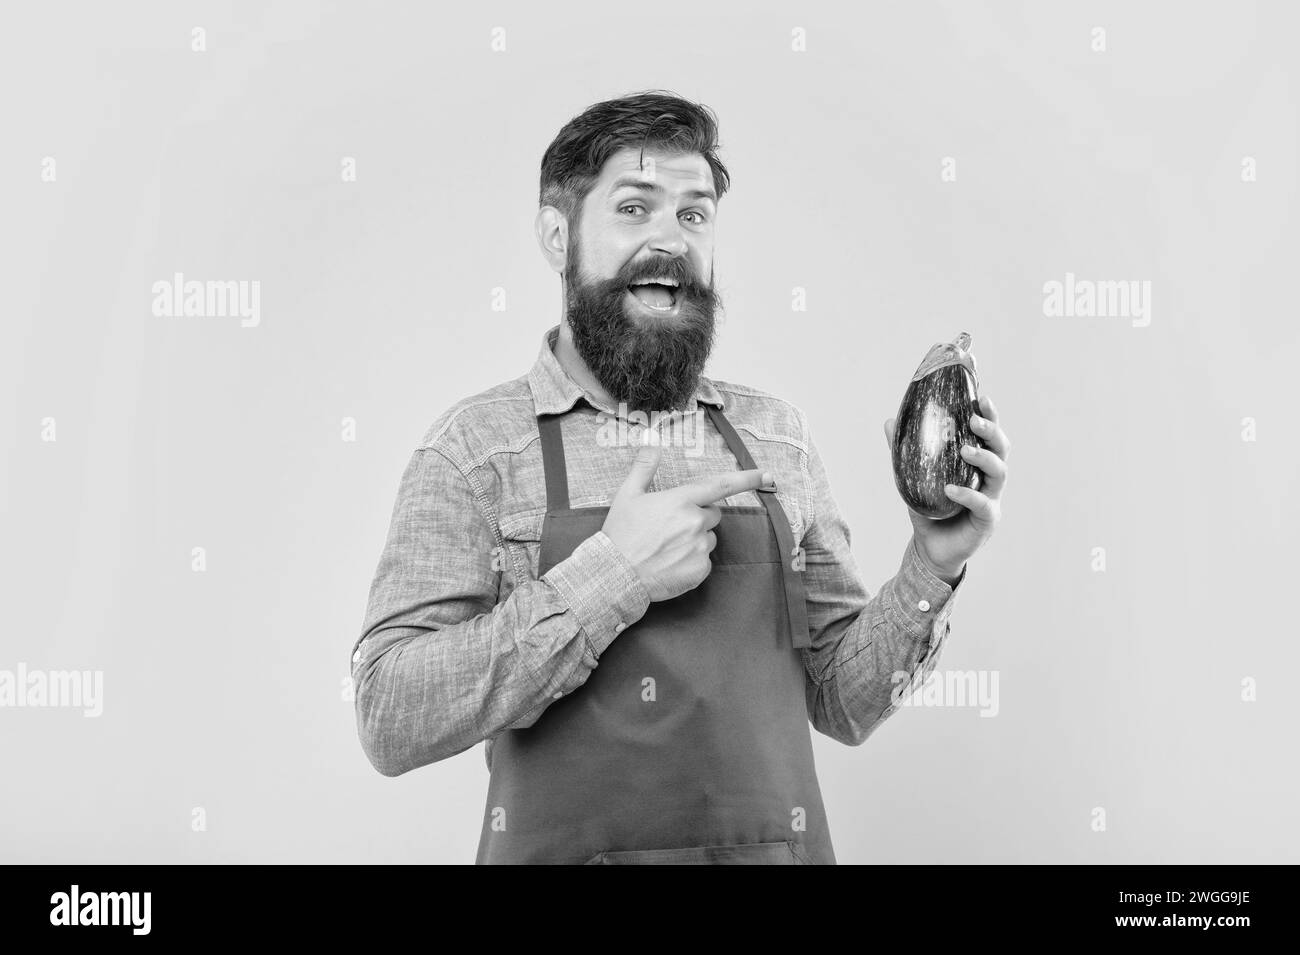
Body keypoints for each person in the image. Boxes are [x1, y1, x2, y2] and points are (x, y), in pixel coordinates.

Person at [350, 90, 1011, 864]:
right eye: (635, 208)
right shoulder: (476, 448)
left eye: (694, 215)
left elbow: (842, 699)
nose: (670, 239)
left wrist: (931, 564)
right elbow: (389, 714)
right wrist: (614, 575)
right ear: (558, 236)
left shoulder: (775, 435)